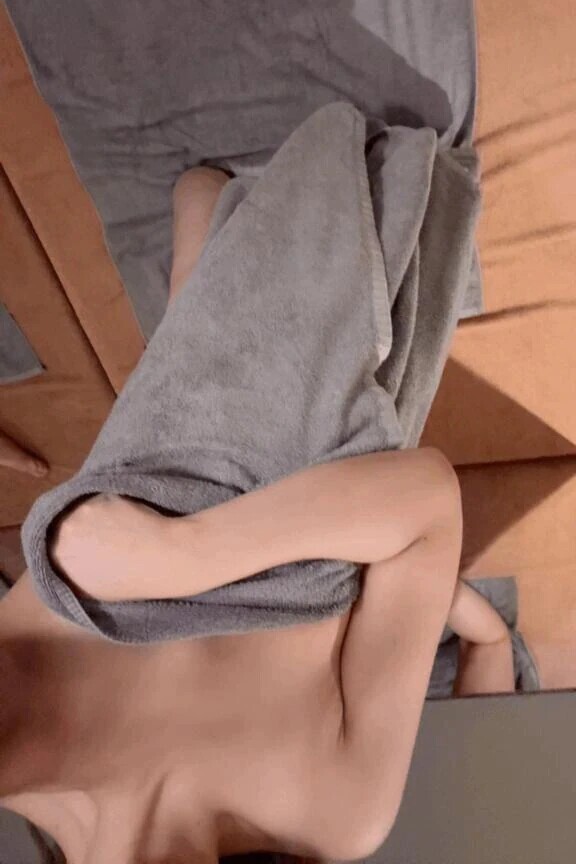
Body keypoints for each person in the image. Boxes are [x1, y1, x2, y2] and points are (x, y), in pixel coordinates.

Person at [0, 168, 515, 864]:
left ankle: (201, 248)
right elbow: (424, 500)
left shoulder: (22, 734)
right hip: (339, 379)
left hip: (186, 407)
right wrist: (184, 553)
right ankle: (204, 243)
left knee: (190, 334)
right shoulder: (335, 813)